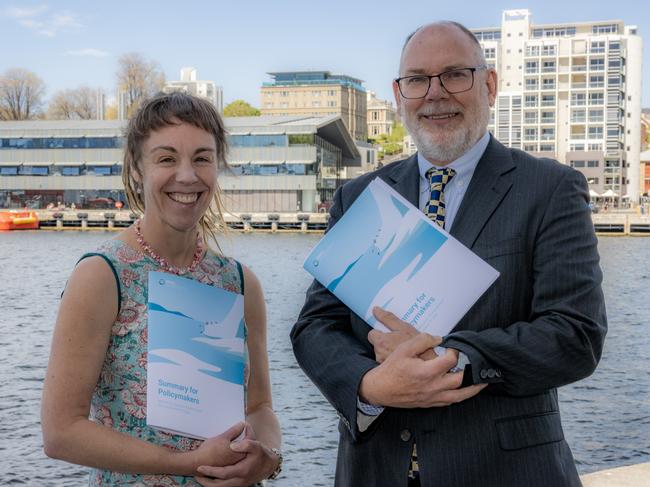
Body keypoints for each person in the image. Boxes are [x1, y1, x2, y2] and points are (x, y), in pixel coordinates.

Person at [291, 21, 606, 487]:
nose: (435, 94)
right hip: (374, 472)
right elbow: (317, 327)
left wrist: (452, 358)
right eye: (417, 79)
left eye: (455, 74)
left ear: (489, 84)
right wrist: (369, 385)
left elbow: (575, 335)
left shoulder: (549, 189)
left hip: (505, 473)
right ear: (399, 95)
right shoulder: (361, 196)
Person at [42, 92, 282, 486]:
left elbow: (259, 407)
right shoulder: (103, 276)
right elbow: (61, 432)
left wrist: (268, 458)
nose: (187, 176)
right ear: (137, 169)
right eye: (167, 158)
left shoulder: (239, 283)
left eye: (202, 158)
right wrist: (187, 463)